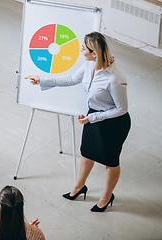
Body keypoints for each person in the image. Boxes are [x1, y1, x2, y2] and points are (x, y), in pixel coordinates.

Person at [26, 32, 131, 212]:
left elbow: (121, 109)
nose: (81, 51)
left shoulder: (115, 79)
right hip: (93, 116)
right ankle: (79, 186)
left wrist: (93, 118)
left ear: (95, 53)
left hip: (113, 124)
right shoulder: (90, 65)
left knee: (110, 161)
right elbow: (71, 79)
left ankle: (106, 196)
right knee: (87, 152)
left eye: (83, 48)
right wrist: (42, 79)